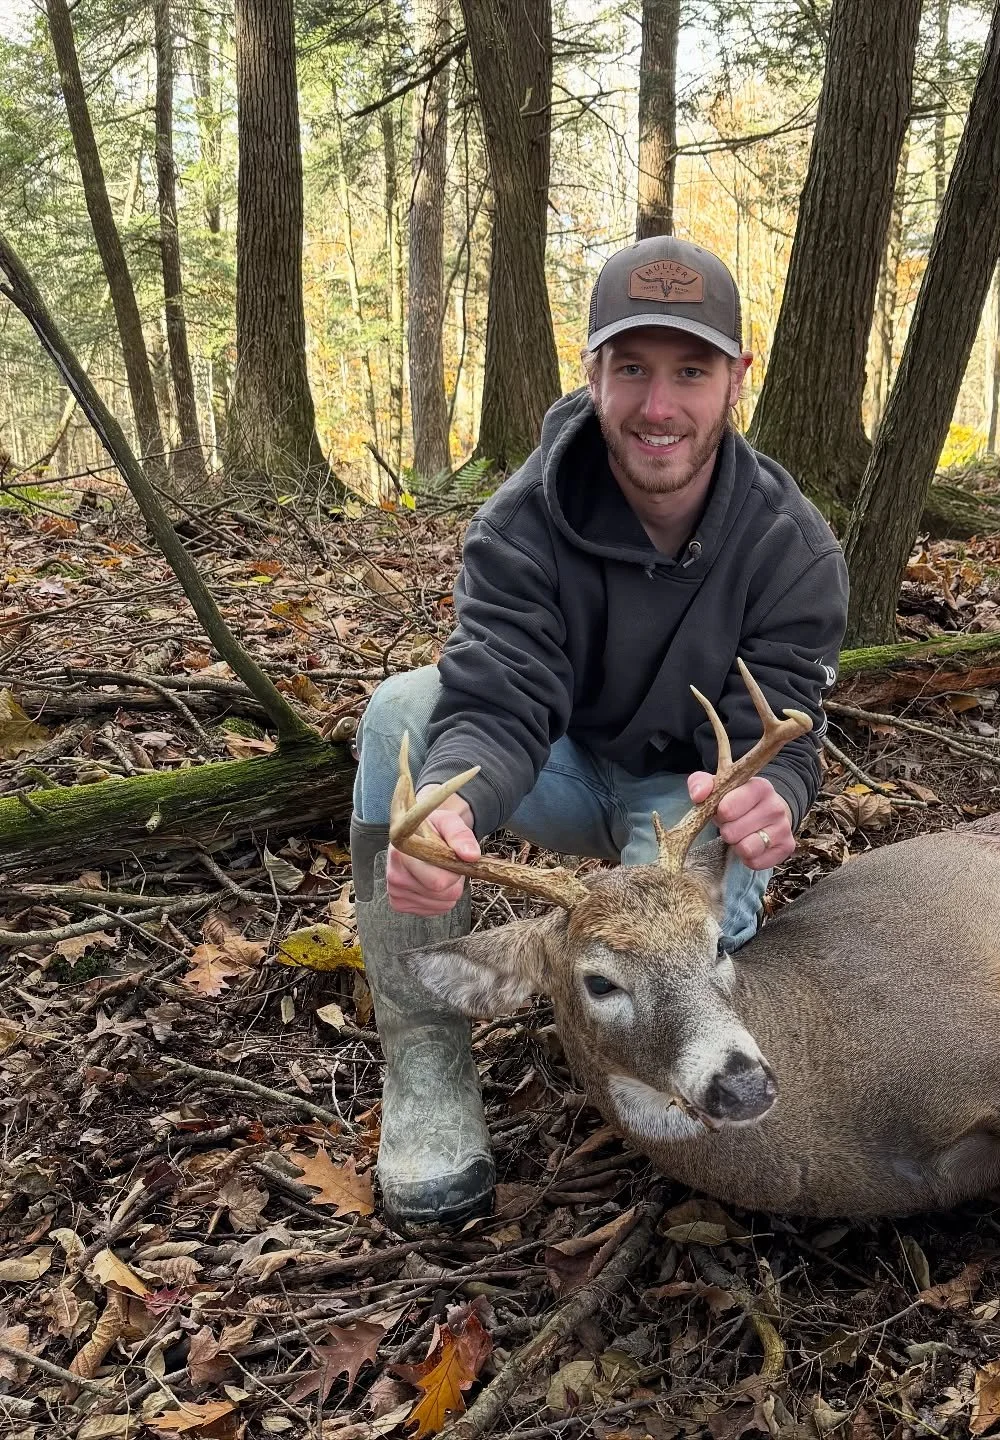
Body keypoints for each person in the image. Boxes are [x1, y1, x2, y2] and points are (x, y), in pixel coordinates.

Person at [350, 235, 849, 1230]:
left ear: (737, 379)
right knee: (404, 715)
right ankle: (427, 1061)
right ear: (592, 373)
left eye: (691, 372)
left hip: (683, 807)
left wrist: (773, 798)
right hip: (562, 770)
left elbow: (788, 720)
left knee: (675, 941)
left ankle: (676, 1040)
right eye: (631, 370)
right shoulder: (523, 522)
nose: (658, 407)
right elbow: (497, 699)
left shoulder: (792, 544)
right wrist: (455, 813)